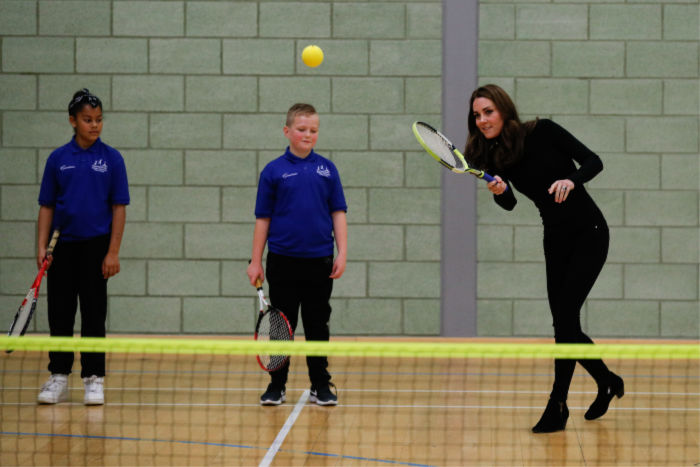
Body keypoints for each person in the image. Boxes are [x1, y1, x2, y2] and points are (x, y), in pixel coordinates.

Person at [465, 84, 624, 433]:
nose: (481, 120)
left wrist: (571, 178)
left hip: (589, 231)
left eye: (487, 111)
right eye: (476, 115)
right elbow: (510, 203)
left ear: (503, 110)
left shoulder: (543, 131)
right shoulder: (494, 156)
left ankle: (558, 404)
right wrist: (500, 192)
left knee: (566, 318)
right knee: (564, 324)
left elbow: (594, 161)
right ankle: (607, 380)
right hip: (554, 238)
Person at [247, 103, 348, 406]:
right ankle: (277, 385)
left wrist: (342, 252)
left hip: (320, 261)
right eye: (302, 129)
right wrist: (255, 260)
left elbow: (338, 213)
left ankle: (321, 384)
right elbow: (262, 218)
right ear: (287, 131)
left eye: (313, 130)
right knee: (282, 326)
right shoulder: (274, 171)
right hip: (282, 262)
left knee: (318, 326)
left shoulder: (327, 169)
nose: (308, 135)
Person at [36, 88, 130, 405]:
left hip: (96, 248)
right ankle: (58, 376)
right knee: (60, 315)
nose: (95, 125)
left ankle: (93, 378)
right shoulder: (58, 159)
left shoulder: (112, 159)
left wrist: (112, 252)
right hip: (62, 248)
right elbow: (46, 206)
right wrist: (41, 247)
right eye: (88, 120)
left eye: (99, 119)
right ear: (73, 121)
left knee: (93, 315)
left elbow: (119, 207)